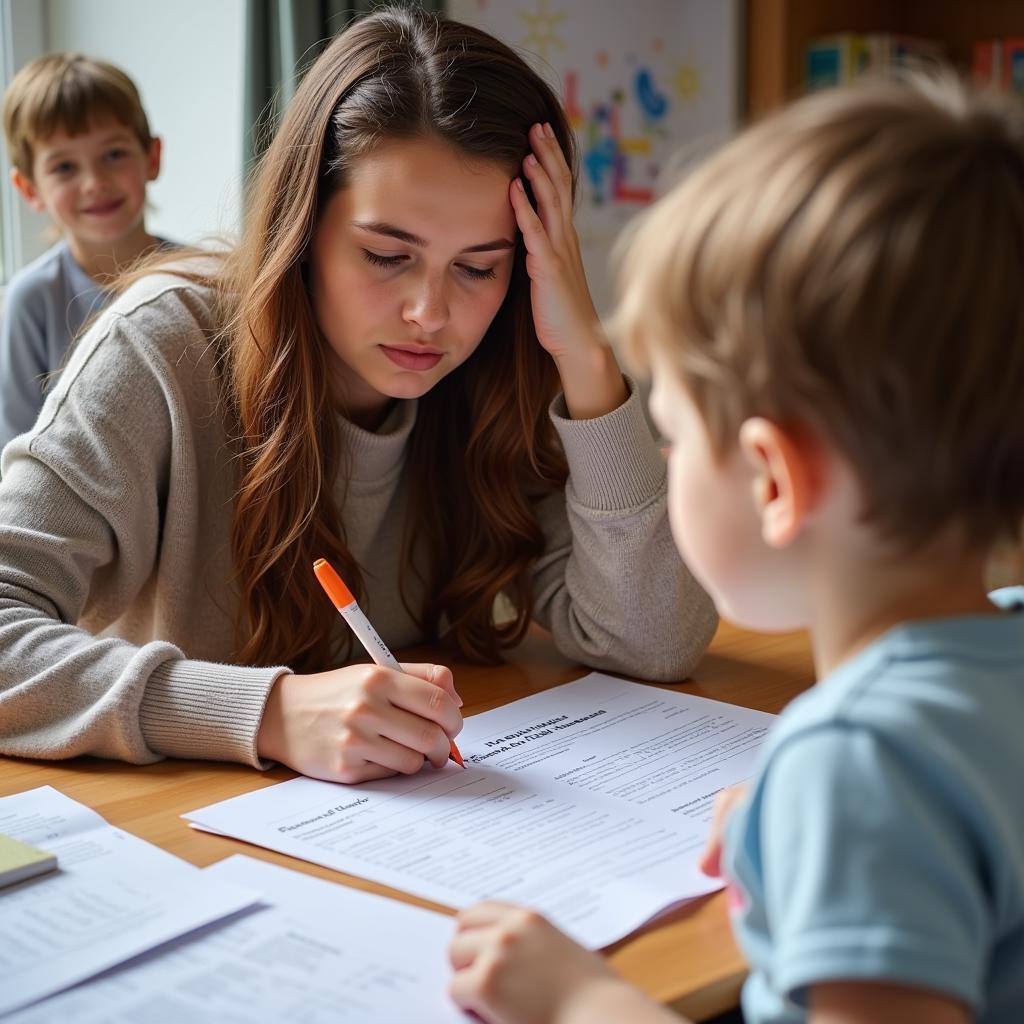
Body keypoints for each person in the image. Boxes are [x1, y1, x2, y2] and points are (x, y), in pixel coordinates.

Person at [0, 6, 716, 783]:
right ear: (302, 230)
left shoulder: (495, 375)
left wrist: (586, 356)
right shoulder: (161, 347)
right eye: (385, 255)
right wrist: (268, 713)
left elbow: (657, 641)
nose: (431, 314)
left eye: (480, 267)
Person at [447, 73, 1024, 1024]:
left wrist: (581, 1001)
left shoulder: (859, 763)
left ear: (771, 480)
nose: (666, 463)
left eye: (671, 437)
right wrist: (805, 839)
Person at [1, 52, 173, 449]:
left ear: (152, 157)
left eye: (113, 155)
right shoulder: (31, 300)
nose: (94, 182)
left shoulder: (203, 276)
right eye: (64, 168)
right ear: (30, 189)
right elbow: (16, 446)